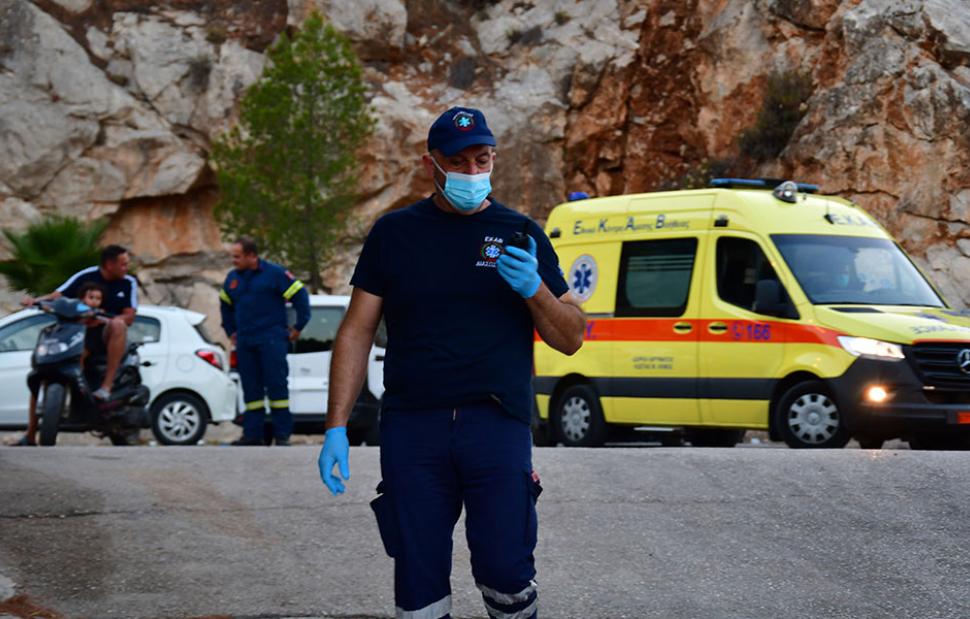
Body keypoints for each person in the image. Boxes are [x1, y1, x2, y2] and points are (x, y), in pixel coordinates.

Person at [317, 107, 585, 619]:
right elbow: (356, 329)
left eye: (481, 160)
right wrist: (336, 426)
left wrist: (535, 290)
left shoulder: (520, 233)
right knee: (417, 576)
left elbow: (571, 337)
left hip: (496, 422)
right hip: (413, 426)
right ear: (431, 165)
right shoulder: (394, 234)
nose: (471, 172)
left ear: (494, 159)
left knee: (506, 569)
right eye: (458, 162)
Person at [219, 237, 310, 447]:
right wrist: (231, 331)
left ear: (251, 256)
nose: (233, 260)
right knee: (251, 390)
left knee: (277, 388)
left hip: (271, 340)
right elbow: (225, 304)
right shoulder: (233, 278)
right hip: (245, 342)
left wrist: (298, 326)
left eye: (237, 256)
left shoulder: (275, 274)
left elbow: (300, 296)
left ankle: (282, 436)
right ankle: (253, 435)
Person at [22, 245, 136, 404]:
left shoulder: (128, 282)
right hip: (79, 331)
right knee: (47, 371)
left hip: (104, 333)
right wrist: (35, 301)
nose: (126, 268)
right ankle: (75, 394)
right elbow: (57, 296)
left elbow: (129, 316)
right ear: (110, 264)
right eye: (123, 264)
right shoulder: (86, 275)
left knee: (118, 325)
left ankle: (106, 386)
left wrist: (109, 319)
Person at [17, 281, 109, 446]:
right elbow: (50, 304)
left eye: (98, 298)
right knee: (37, 382)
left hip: (84, 354)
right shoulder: (70, 311)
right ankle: (30, 433)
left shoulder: (96, 322)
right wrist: (36, 302)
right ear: (82, 298)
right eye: (91, 297)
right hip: (59, 354)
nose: (94, 301)